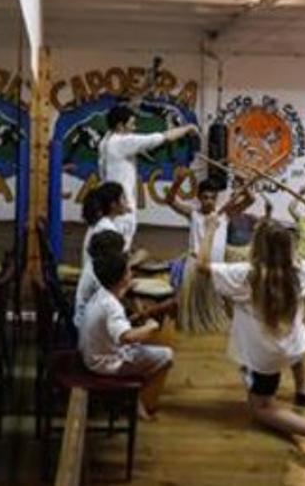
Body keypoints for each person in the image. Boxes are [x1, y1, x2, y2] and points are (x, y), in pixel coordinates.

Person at [196, 205, 305, 477]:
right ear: (288, 247)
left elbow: (201, 266)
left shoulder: (245, 274)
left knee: (261, 409)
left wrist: (210, 229)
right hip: (294, 347)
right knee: (294, 336)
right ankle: (303, 389)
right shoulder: (300, 270)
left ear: (257, 247)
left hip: (265, 358)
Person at [80, 244, 173, 421]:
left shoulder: (102, 293)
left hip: (93, 355)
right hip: (106, 364)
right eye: (128, 271)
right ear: (121, 278)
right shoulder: (112, 307)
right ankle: (140, 403)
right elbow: (128, 337)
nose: (131, 274)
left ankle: (133, 400)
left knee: (144, 348)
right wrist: (150, 327)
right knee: (166, 355)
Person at [98, 104, 198, 223]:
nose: (134, 128)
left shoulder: (105, 141)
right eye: (131, 124)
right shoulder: (122, 142)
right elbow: (162, 138)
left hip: (108, 205)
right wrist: (188, 128)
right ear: (120, 126)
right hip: (121, 208)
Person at [165, 174, 230, 333]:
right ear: (199, 197)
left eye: (212, 198)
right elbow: (170, 200)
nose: (209, 201)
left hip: (216, 266)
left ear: (216, 199)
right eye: (205, 197)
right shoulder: (193, 214)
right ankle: (193, 322)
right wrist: (177, 182)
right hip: (195, 264)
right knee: (194, 300)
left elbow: (250, 200)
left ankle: (210, 320)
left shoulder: (224, 214)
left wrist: (245, 185)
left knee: (214, 300)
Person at [73, 182, 142, 330]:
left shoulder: (101, 225)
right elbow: (111, 277)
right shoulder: (106, 231)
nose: (127, 203)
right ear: (113, 204)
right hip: (90, 316)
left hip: (90, 306)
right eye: (123, 198)